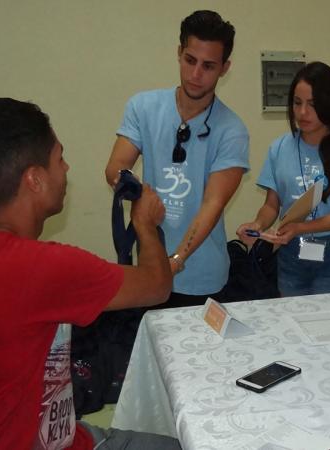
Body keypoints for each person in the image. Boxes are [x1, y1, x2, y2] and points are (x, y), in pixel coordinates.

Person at [0, 98, 182, 449]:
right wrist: (144, 224)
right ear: (34, 179)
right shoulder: (43, 267)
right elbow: (157, 286)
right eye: (59, 158)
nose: (66, 168)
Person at [105, 10, 249, 307]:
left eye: (208, 66)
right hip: (148, 267)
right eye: (190, 60)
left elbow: (213, 204)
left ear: (225, 68)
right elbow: (115, 168)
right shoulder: (143, 107)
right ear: (179, 53)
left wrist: (175, 261)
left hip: (201, 277)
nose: (196, 75)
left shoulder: (232, 130)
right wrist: (136, 190)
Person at [237, 62, 330, 296]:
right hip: (290, 253)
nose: (302, 113)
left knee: (327, 326)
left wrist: (301, 227)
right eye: (297, 103)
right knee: (293, 321)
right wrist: (257, 225)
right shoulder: (279, 147)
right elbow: (272, 205)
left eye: (312, 105)